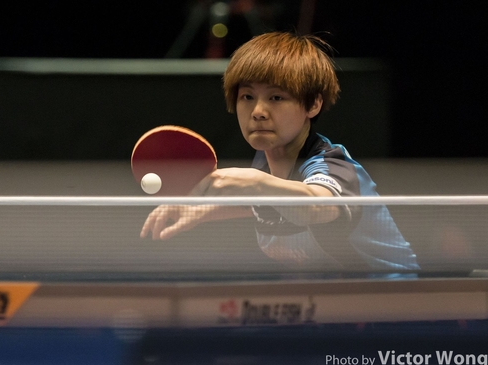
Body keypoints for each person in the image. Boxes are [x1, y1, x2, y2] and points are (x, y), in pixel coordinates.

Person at [141, 32, 418, 271]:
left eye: (276, 97)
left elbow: (316, 206)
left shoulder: (331, 166)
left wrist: (254, 182)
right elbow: (269, 202)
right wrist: (204, 210)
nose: (258, 111)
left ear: (313, 104)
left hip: (397, 301)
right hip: (330, 303)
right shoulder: (266, 160)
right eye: (247, 97)